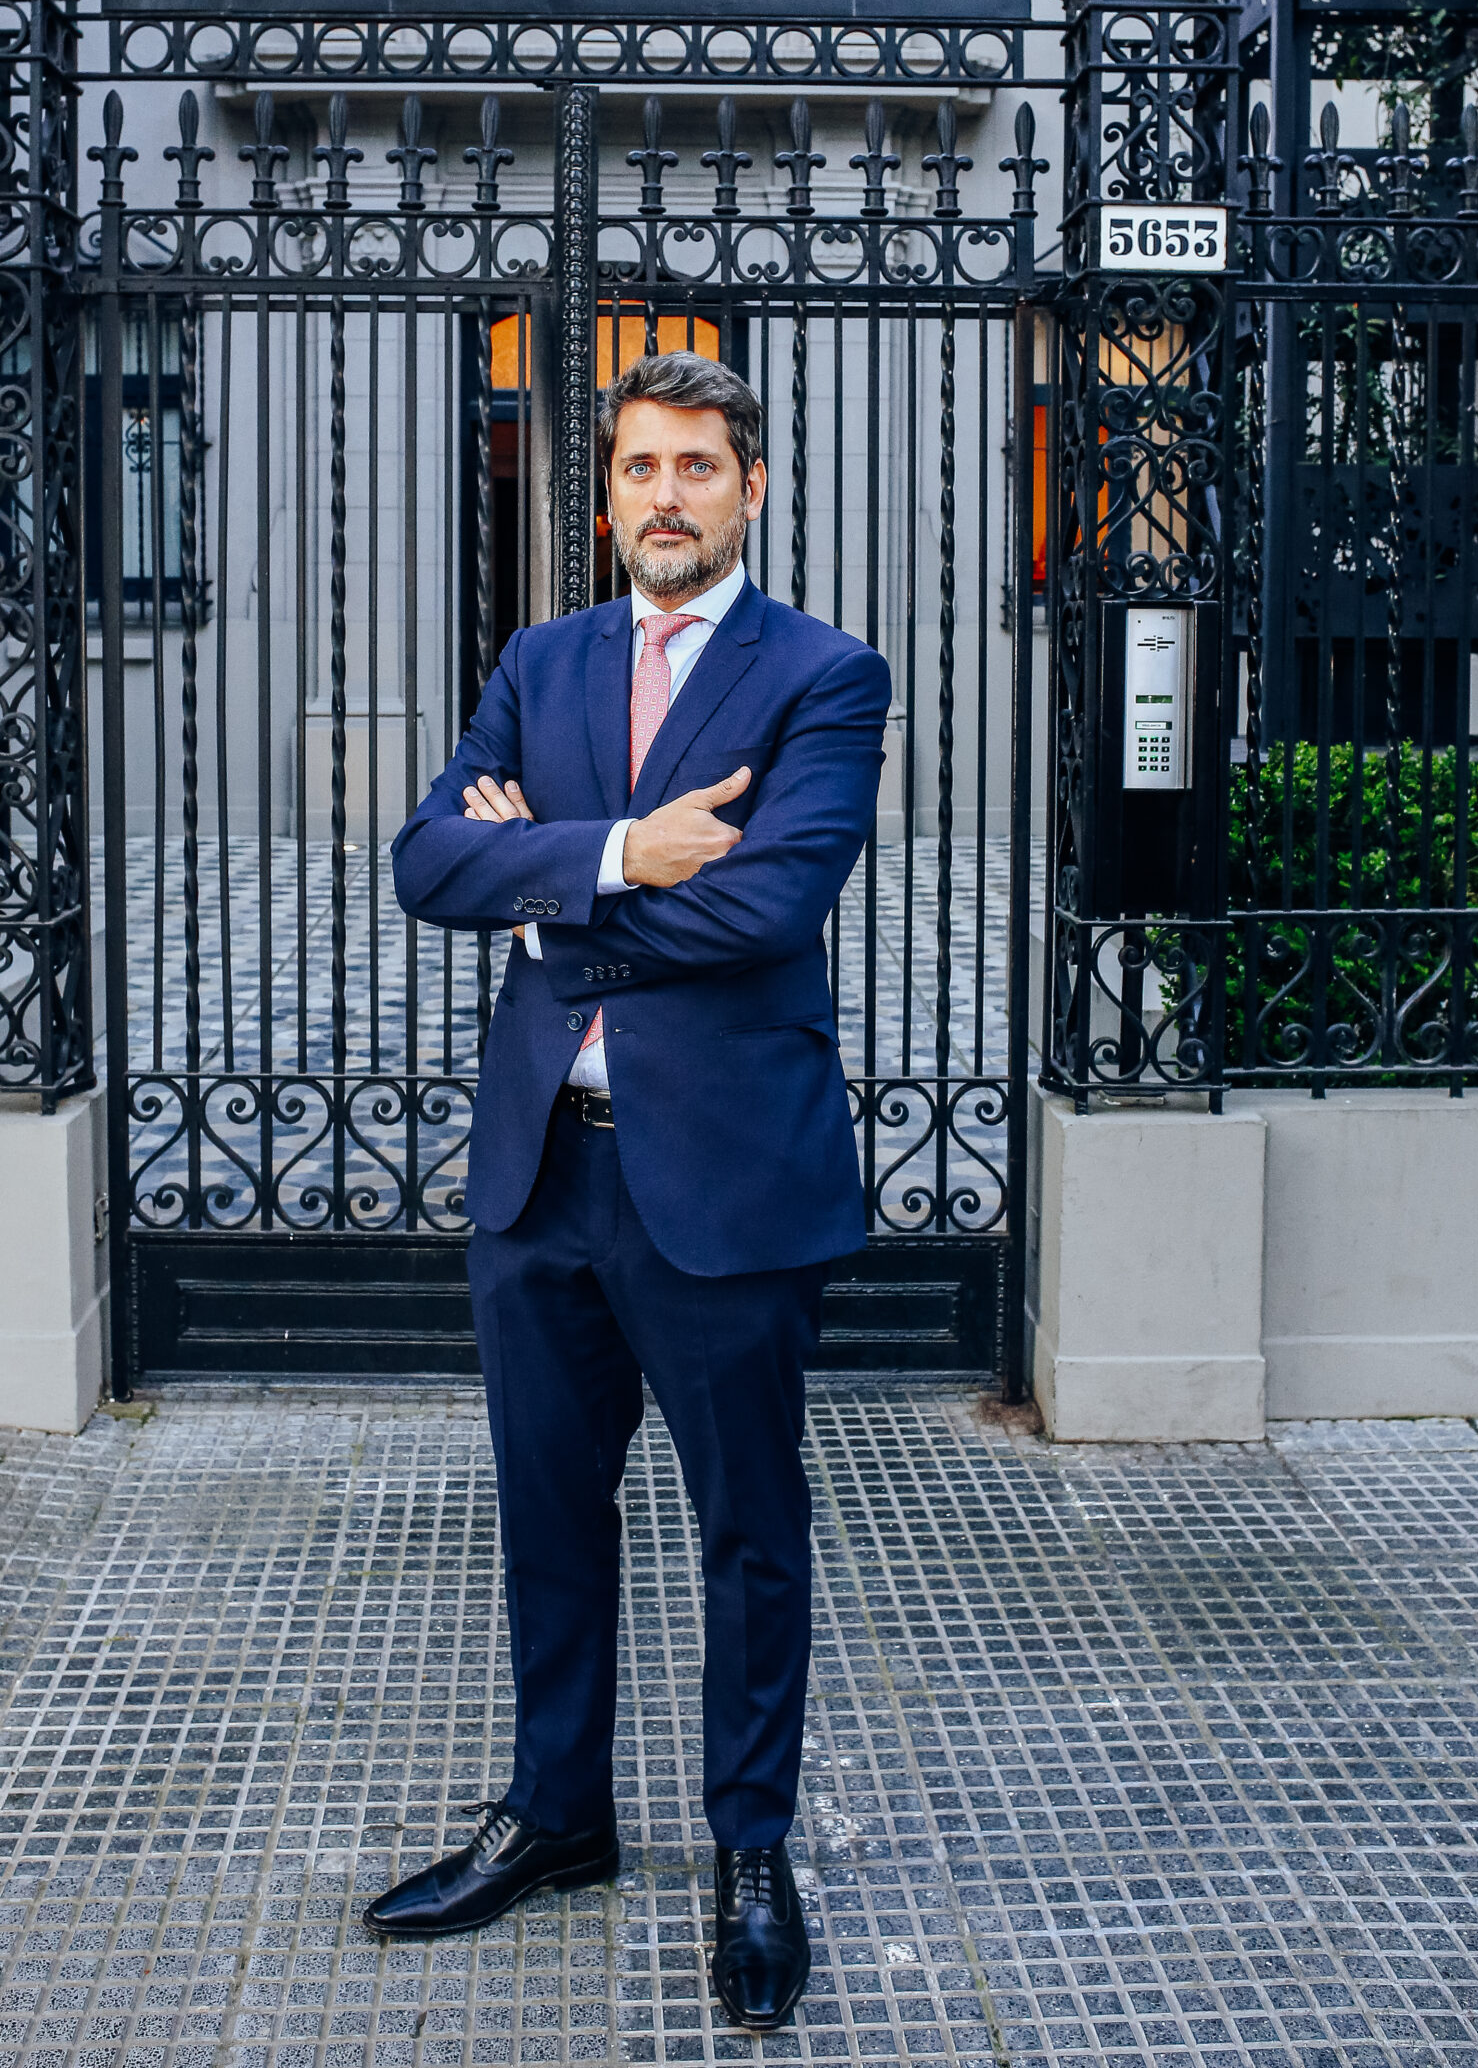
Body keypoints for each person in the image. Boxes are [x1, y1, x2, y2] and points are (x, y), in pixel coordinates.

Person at [373, 350, 891, 2033]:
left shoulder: (825, 675)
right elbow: (424, 858)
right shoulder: (544, 660)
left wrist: (536, 892)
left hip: (725, 1184)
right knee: (546, 1514)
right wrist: (615, 853)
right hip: (542, 1172)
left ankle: (753, 1847)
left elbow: (769, 904)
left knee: (748, 1531)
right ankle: (558, 1814)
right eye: (641, 468)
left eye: (699, 466)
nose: (668, 496)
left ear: (753, 488)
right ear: (603, 499)